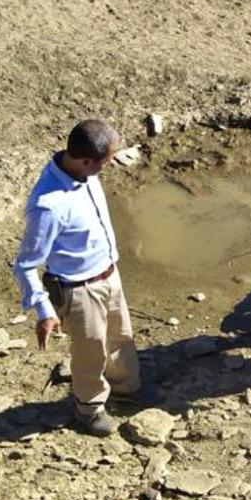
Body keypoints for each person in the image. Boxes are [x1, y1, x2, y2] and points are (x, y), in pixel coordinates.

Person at [13, 119, 159, 436]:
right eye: (105, 162)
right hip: (79, 289)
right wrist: (44, 310)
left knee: (120, 335)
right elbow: (25, 265)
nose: (108, 167)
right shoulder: (48, 206)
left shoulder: (83, 173)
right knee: (89, 351)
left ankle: (124, 387)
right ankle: (88, 409)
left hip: (108, 272)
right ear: (85, 160)